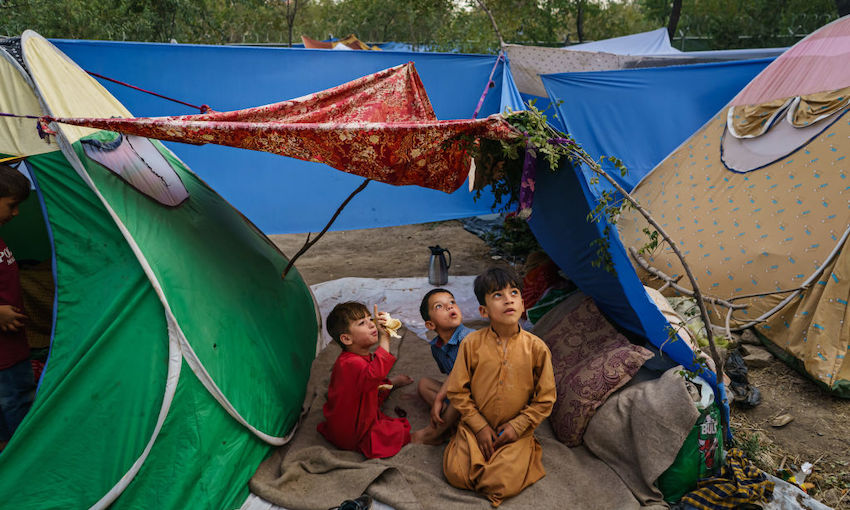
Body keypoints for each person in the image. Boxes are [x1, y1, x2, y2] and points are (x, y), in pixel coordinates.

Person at [442, 267, 556, 507]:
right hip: (476, 427)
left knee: (502, 483)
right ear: (483, 311)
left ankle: (510, 456)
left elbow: (545, 398)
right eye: (497, 295)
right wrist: (479, 426)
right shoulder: (471, 344)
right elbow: (457, 391)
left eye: (514, 293)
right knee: (456, 472)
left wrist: (518, 425)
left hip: (515, 431)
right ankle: (469, 444)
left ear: (523, 305)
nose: (508, 299)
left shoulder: (537, 348)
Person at [318, 301, 414, 459]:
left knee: (378, 385)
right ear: (347, 339)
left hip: (362, 397)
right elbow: (375, 374)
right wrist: (385, 338)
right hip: (353, 433)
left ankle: (392, 383)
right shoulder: (349, 363)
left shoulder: (359, 356)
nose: (372, 325)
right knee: (397, 433)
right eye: (362, 323)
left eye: (370, 319)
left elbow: (373, 378)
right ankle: (424, 436)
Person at [0, 164, 36, 452]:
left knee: (20, 397)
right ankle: (23, 459)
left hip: (14, 349)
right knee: (15, 403)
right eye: (12, 206)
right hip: (3, 358)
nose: (16, 213)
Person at [410, 288, 473, 445]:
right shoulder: (436, 347)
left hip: (481, 394)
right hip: (461, 394)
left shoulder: (470, 338)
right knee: (424, 384)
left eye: (452, 302)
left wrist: (439, 398)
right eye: (439, 306)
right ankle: (452, 421)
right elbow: (450, 376)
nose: (449, 306)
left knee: (459, 393)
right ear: (431, 324)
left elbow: (462, 374)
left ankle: (435, 433)